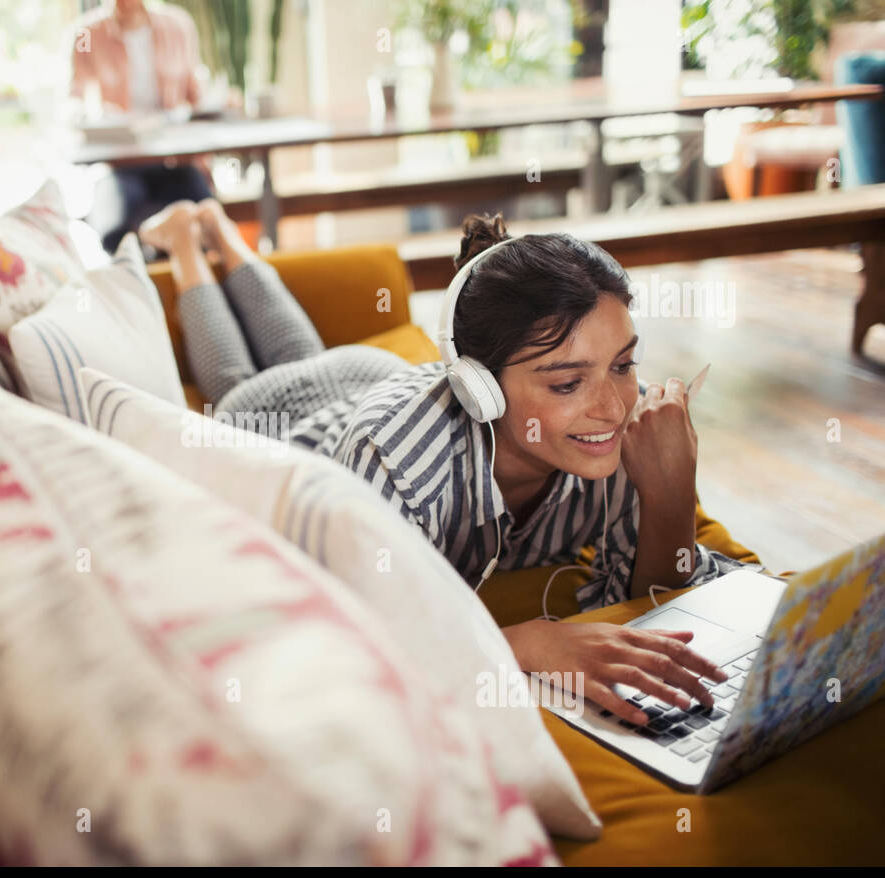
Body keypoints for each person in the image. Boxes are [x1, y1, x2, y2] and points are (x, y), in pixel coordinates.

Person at [143, 200, 748, 727]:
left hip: (372, 375)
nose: (614, 408)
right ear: (477, 386)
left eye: (623, 365)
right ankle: (187, 245)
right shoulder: (395, 461)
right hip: (291, 419)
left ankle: (219, 231)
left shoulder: (624, 433)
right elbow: (353, 643)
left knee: (298, 347)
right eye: (567, 384)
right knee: (239, 376)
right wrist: (525, 643)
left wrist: (671, 492)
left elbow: (650, 604)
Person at [70, 0, 214, 252]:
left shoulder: (178, 25)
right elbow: (75, 96)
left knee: (209, 219)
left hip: (173, 160)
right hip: (119, 164)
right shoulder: (86, 34)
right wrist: (90, 116)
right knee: (113, 232)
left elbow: (196, 96)